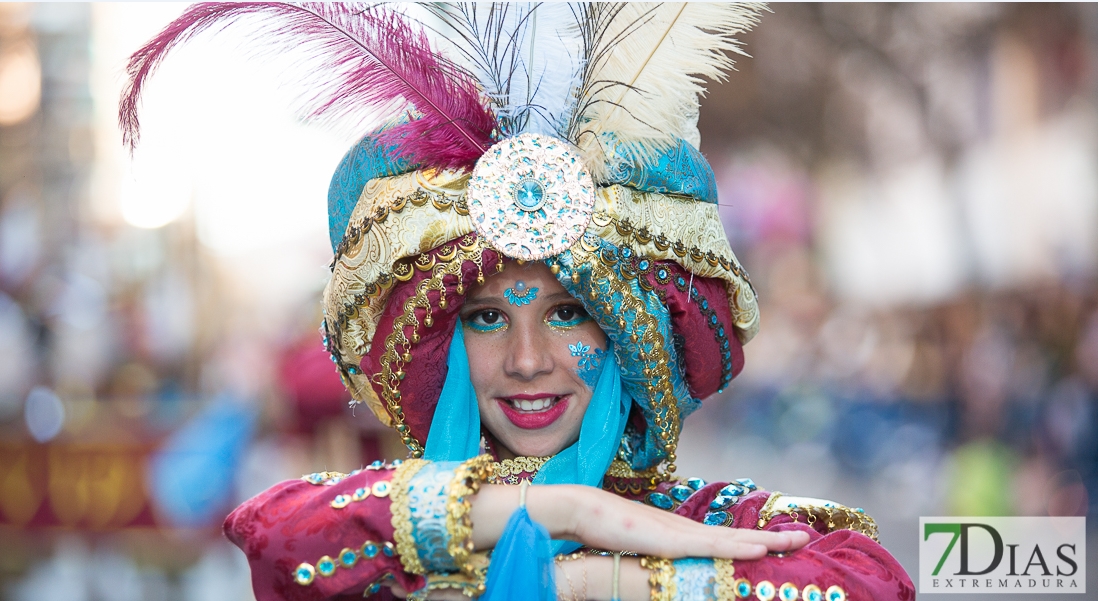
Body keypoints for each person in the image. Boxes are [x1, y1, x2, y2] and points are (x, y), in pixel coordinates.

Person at [121, 3, 916, 600]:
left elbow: (871, 578)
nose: (529, 360)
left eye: (569, 312)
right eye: (487, 317)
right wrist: (553, 507)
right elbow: (276, 535)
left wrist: (608, 577)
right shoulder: (383, 548)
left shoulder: (713, 525)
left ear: (628, 337)